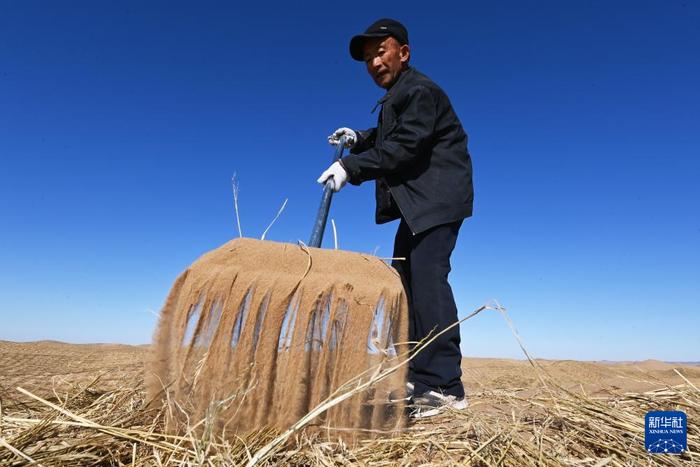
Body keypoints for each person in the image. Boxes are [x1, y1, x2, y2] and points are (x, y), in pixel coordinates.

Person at [317, 18, 474, 418]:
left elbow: (406, 144)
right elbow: (391, 133)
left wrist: (351, 168)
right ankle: (417, 376)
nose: (373, 63)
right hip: (417, 206)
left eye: (380, 52)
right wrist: (359, 136)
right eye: (367, 58)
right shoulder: (400, 97)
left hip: (436, 202)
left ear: (403, 52)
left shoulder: (420, 90)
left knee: (427, 281)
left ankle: (443, 386)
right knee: (405, 284)